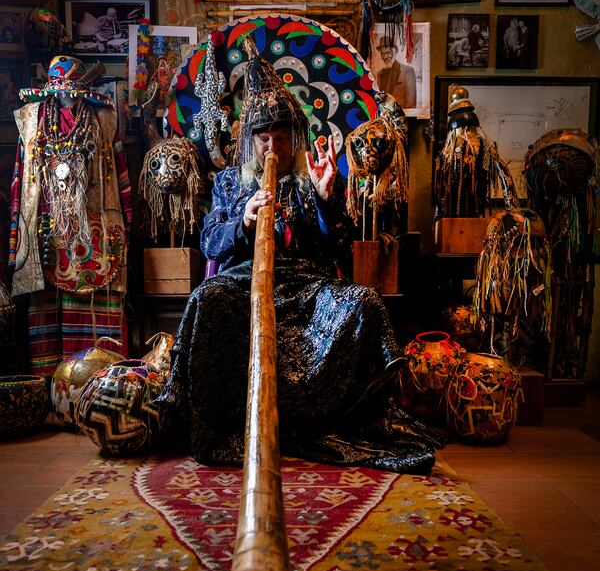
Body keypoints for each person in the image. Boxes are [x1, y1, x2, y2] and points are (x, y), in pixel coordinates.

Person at [156, 47, 440, 473]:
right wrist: (244, 221)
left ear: (297, 137)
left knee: (364, 304)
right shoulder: (230, 182)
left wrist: (328, 202)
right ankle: (223, 423)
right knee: (206, 300)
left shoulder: (313, 180)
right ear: (251, 142)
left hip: (308, 286)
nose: (275, 148)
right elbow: (211, 241)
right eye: (264, 139)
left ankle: (336, 419)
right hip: (243, 282)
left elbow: (338, 248)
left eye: (284, 138)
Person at [375, 36, 417, 109]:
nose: (385, 57)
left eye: (388, 53)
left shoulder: (408, 71)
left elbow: (411, 102)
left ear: (395, 52)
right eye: (382, 53)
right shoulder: (380, 74)